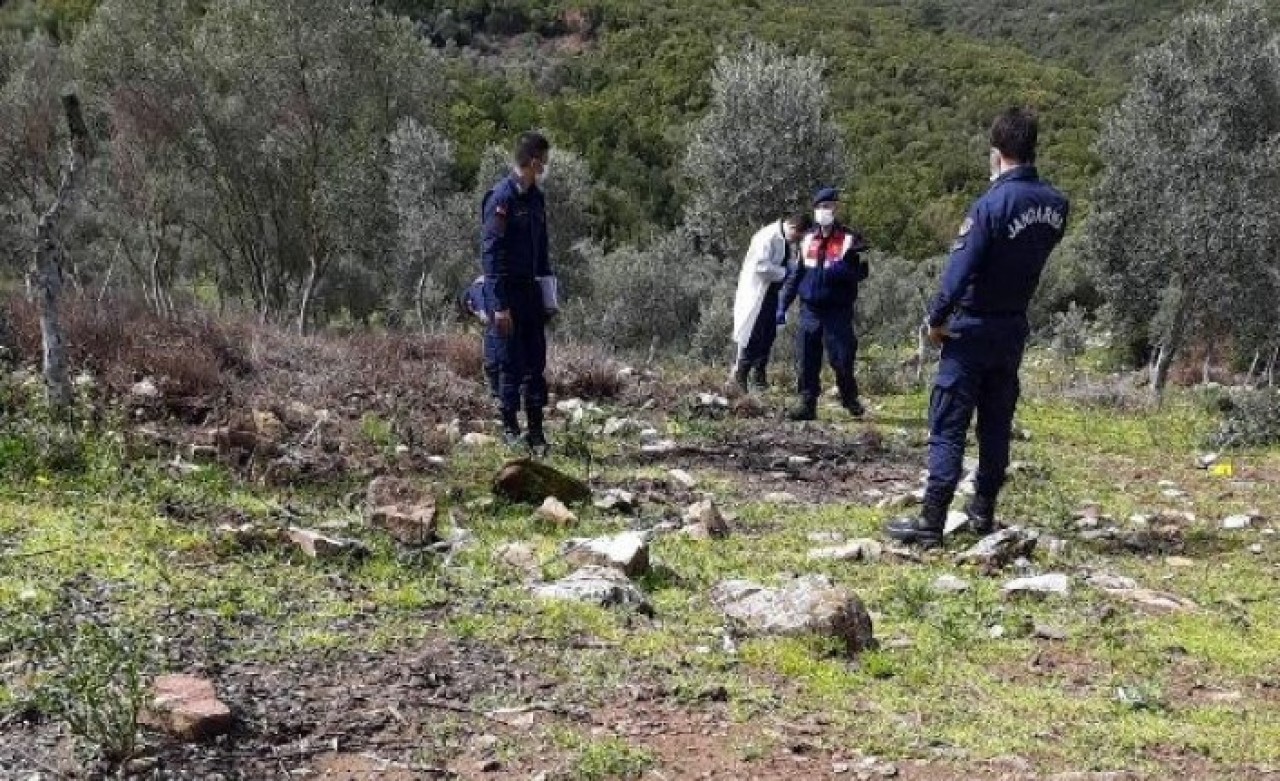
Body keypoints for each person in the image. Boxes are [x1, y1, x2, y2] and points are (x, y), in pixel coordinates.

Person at [886, 108, 1070, 547]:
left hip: (971, 327)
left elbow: (959, 269)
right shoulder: (1056, 206)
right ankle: (983, 509)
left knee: (949, 421)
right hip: (1013, 326)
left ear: (997, 151)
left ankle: (932, 520)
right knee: (996, 420)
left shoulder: (991, 204)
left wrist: (935, 319)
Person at [480, 131, 557, 456]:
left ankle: (536, 431)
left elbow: (543, 251)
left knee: (535, 364)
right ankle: (510, 429)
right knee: (508, 364)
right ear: (533, 161)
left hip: (531, 294)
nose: (546, 167)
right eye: (544, 161)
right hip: (507, 294)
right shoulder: (501, 199)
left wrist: (548, 293)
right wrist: (498, 306)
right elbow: (491, 255)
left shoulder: (536, 198)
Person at [776, 188, 869, 421]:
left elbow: (861, 271)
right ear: (815, 210)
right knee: (807, 357)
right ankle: (807, 403)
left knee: (842, 357)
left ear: (836, 209)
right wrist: (783, 304)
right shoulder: (807, 238)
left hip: (837, 310)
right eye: (822, 207)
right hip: (810, 309)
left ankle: (848, 396)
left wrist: (845, 271)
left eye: (830, 206)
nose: (826, 211)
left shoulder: (849, 238)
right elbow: (797, 275)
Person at [731, 212, 812, 393]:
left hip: (773, 293)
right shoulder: (767, 237)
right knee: (753, 334)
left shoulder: (787, 240)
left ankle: (759, 377)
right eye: (797, 236)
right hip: (757, 293)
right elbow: (760, 267)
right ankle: (740, 376)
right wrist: (785, 271)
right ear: (793, 228)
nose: (796, 240)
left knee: (768, 334)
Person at [458, 276, 499, 400]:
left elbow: (478, 300)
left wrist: (481, 311)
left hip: (495, 318)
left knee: (492, 358)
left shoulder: (474, 291)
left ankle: (496, 394)